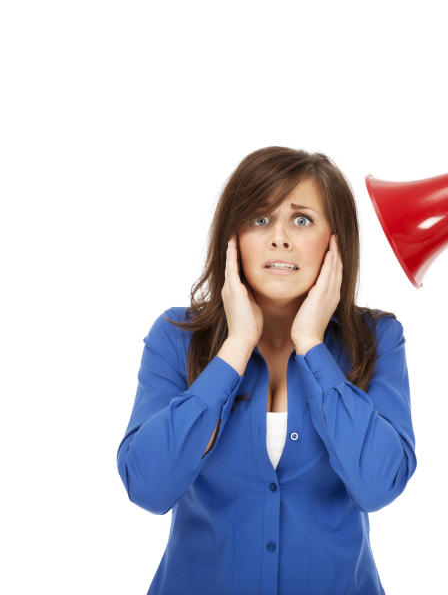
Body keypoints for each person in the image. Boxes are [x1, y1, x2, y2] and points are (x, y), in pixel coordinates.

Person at [117, 147, 416, 594]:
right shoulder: (175, 337)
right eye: (259, 219)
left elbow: (378, 486)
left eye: (301, 220)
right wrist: (235, 348)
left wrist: (313, 347)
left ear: (336, 241)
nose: (279, 238)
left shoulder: (378, 339)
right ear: (232, 236)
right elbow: (148, 487)